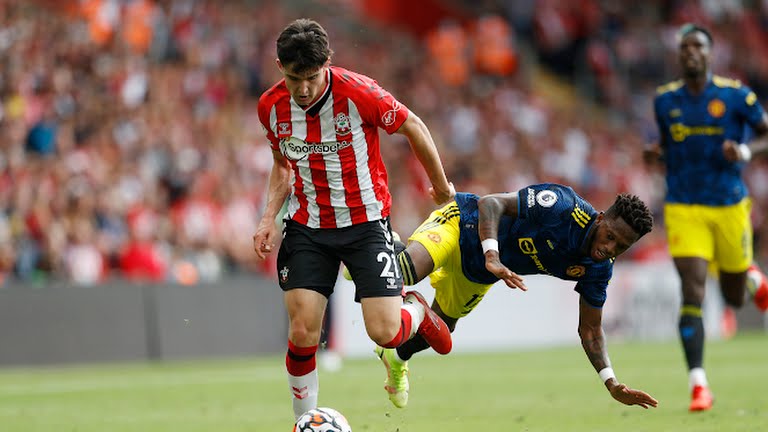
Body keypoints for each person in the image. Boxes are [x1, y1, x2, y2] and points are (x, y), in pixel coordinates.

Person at [252, 18, 456, 421]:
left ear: (327, 63)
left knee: (384, 332)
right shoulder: (270, 107)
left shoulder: (359, 93)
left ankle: (414, 308)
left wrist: (441, 187)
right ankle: (304, 423)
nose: (303, 89)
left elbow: (413, 126)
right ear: (280, 67)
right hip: (308, 226)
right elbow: (282, 165)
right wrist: (267, 218)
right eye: (294, 78)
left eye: (311, 77)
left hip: (366, 224)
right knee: (302, 330)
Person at [361, 183, 659, 410]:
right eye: (610, 236)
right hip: (461, 224)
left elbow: (591, 329)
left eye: (621, 246)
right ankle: (377, 249)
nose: (609, 248)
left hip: (477, 274)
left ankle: (396, 357)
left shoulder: (598, 269)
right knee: (407, 271)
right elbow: (490, 203)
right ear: (601, 218)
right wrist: (492, 255)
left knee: (439, 332)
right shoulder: (563, 206)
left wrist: (611, 382)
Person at [646, 23, 768, 412]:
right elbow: (668, 144)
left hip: (729, 204)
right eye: (685, 47)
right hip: (683, 206)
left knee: (733, 295)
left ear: (711, 53)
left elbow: (765, 133)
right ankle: (698, 384)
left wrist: (745, 152)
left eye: (698, 46)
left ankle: (750, 277)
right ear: (679, 55)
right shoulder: (665, 100)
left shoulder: (736, 96)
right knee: (693, 289)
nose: (691, 52)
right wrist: (656, 154)